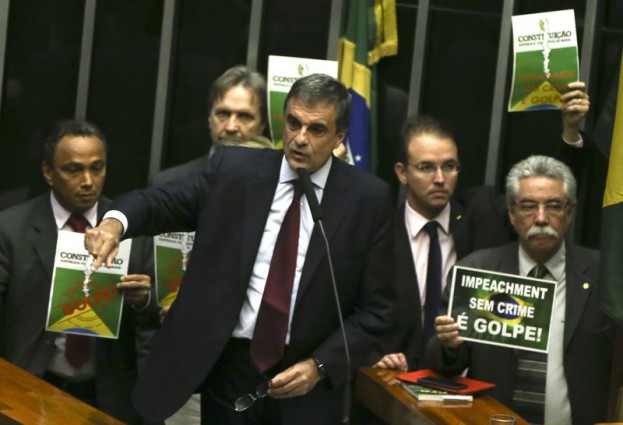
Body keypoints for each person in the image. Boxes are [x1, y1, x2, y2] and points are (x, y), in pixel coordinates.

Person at [84, 74, 394, 425]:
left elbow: (379, 310)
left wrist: (321, 365)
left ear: (340, 137)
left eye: (317, 129)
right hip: (229, 370)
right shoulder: (235, 171)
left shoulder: (368, 200)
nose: (300, 138)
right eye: (293, 123)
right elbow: (161, 202)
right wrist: (114, 224)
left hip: (306, 385)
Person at [428, 155, 614, 425]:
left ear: (570, 212)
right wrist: (449, 345)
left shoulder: (605, 275)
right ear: (512, 213)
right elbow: (446, 365)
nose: (541, 218)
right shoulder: (477, 271)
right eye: (528, 206)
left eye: (553, 206)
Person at [0, 120, 159, 424]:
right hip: (32, 386)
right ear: (48, 172)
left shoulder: (133, 231)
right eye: (73, 170)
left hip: (108, 395)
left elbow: (156, 323)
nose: (88, 181)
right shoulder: (11, 229)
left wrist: (144, 300)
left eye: (97, 168)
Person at [370, 115, 512, 372]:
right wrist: (373, 356)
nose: (439, 178)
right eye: (426, 167)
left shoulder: (482, 214)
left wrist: (571, 137)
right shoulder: (380, 233)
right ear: (402, 173)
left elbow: (541, 204)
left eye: (449, 166)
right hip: (398, 377)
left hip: (466, 378)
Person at [151, 65, 269, 186]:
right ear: (210, 119)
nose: (231, 127)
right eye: (223, 114)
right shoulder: (168, 184)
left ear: (262, 125)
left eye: (244, 116)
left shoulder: (275, 188)